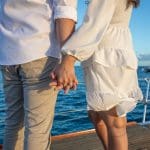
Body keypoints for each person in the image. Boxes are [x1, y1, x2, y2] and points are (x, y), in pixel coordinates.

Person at [50, 0, 143, 150]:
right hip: (113, 55)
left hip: (107, 58)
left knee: (115, 122)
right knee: (96, 115)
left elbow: (93, 26)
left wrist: (68, 59)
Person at [0, 0, 77, 149]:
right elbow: (64, 10)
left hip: (7, 56)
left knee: (13, 123)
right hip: (40, 52)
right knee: (37, 129)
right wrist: (68, 59)